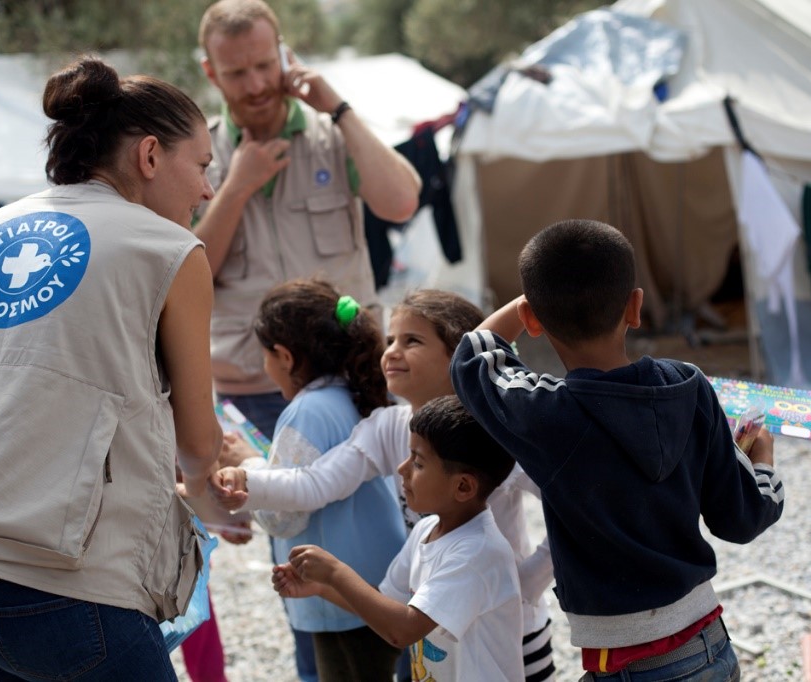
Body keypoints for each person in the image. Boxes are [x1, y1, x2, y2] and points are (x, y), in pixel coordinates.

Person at [0, 56, 222, 681]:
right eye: (201, 166)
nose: (206, 190)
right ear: (149, 155)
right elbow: (198, 443)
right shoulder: (170, 249)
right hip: (68, 587)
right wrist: (212, 490)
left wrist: (3, 449)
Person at [450, 218, 786, 681]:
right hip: (709, 644)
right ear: (635, 306)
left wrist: (533, 303)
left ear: (532, 320)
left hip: (627, 665)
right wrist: (760, 459)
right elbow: (744, 518)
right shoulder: (689, 386)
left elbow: (472, 358)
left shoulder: (547, 415)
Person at [213, 289, 558, 681]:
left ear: (459, 357)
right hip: (436, 637)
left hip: (511, 635)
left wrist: (527, 582)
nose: (392, 350)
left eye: (412, 341)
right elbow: (315, 483)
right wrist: (247, 481)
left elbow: (566, 504)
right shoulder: (389, 429)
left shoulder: (487, 437)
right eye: (391, 339)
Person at [194, 0, 422, 439]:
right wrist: (237, 187)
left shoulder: (334, 135)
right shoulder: (196, 157)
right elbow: (190, 276)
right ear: (210, 72)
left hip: (353, 379)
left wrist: (337, 107)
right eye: (236, 73)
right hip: (251, 391)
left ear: (284, 55)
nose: (256, 84)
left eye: (264, 65)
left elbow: (400, 204)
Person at [273, 395, 524, 682]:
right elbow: (387, 604)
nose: (402, 469)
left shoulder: (477, 552)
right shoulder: (426, 530)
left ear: (463, 486)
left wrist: (335, 572)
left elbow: (403, 630)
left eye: (418, 463)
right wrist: (322, 587)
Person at [247, 277, 407, 681]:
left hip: (337, 596)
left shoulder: (307, 411)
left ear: (284, 356)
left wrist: (247, 465)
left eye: (265, 356)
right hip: (378, 581)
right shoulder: (358, 390)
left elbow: (284, 516)